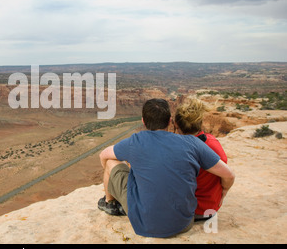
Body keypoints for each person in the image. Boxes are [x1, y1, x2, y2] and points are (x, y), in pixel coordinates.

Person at [98, 98, 235, 238]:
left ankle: (110, 203)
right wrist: (223, 193)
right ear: (170, 121)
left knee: (111, 162)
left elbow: (103, 155)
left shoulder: (135, 141)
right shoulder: (192, 142)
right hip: (184, 223)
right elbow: (229, 175)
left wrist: (114, 182)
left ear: (143, 121)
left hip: (144, 223)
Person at [174, 98, 229, 221]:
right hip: (211, 209)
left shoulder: (184, 151)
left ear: (177, 127)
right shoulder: (212, 142)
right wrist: (224, 191)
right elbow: (227, 175)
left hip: (194, 210)